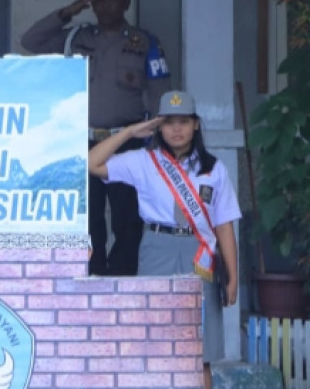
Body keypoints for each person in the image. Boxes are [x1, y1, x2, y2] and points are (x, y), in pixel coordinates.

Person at [20, 0, 171, 276]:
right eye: (98, 0)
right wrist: (67, 12)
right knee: (87, 219)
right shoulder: (76, 38)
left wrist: (156, 144)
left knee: (127, 218)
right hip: (82, 142)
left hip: (126, 142)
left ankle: (121, 278)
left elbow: (158, 96)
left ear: (126, 3)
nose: (103, 6)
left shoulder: (144, 44)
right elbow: (30, 41)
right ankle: (92, 276)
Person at [87, 90, 239, 389]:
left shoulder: (214, 169)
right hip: (156, 249)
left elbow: (224, 226)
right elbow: (91, 163)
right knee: (154, 344)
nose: (177, 129)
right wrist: (130, 131)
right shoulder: (144, 161)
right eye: (168, 122)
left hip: (200, 256)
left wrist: (233, 277)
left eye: (183, 121)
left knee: (199, 351)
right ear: (158, 126)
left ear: (195, 124)